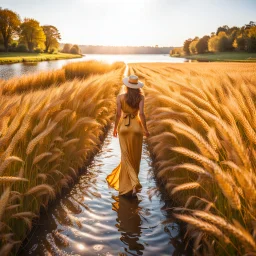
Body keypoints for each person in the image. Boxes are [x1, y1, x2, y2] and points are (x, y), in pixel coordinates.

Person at [106, 74, 150, 197]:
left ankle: (130, 185)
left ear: (127, 86)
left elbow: (118, 115)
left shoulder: (120, 97)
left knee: (125, 157)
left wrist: (115, 128)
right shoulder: (141, 97)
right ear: (137, 87)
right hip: (136, 128)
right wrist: (145, 130)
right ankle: (134, 186)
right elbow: (141, 114)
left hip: (124, 128)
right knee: (135, 158)